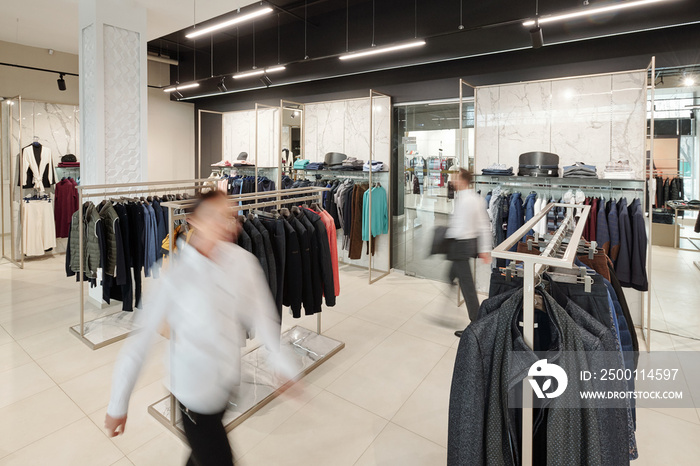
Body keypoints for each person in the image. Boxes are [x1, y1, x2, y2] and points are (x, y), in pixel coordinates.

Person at [104, 190, 287, 466]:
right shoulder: (175, 275)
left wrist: (281, 361)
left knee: (201, 456)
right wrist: (118, 404)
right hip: (192, 395)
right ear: (194, 222)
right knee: (217, 457)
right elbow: (138, 343)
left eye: (230, 216)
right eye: (215, 216)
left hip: (225, 386)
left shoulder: (242, 262)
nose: (226, 224)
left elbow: (262, 314)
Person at [445, 168, 491, 336]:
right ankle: (448, 298)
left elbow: (484, 226)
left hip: (463, 246)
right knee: (452, 275)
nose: (453, 182)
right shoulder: (463, 198)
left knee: (468, 287)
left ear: (463, 180)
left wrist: (485, 250)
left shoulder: (474, 200)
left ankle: (476, 326)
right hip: (457, 245)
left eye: (456, 179)